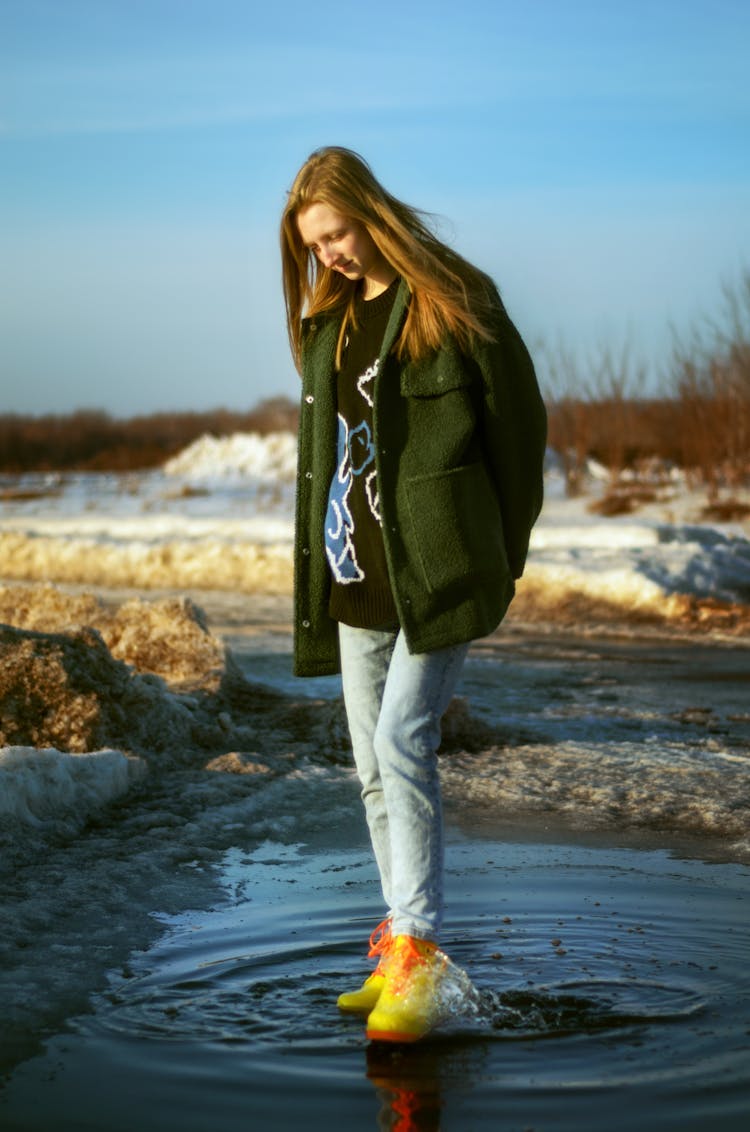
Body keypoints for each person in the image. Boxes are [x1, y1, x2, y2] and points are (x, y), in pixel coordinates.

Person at [280, 146, 546, 1042]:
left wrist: (502, 552)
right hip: (354, 574)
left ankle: (421, 958)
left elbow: (519, 434)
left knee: (403, 740)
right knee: (368, 765)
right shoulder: (329, 325)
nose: (331, 257)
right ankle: (396, 945)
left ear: (370, 212)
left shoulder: (453, 299)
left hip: (437, 572)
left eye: (339, 234)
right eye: (315, 246)